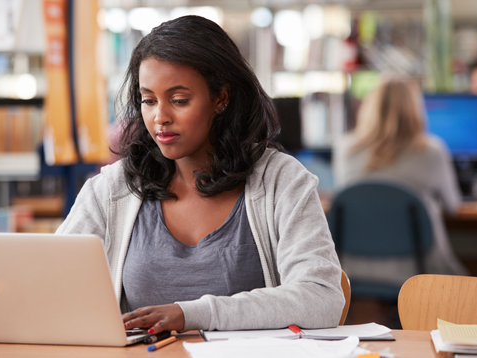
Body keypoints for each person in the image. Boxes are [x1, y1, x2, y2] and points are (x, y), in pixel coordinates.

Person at [56, 15, 344, 333]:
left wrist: (193, 314)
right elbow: (51, 286)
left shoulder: (280, 181)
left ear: (221, 97)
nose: (159, 118)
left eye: (179, 101)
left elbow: (321, 299)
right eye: (148, 101)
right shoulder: (111, 190)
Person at [333, 78, 469, 285]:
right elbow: (454, 206)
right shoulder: (431, 151)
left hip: (354, 266)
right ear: (415, 108)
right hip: (418, 268)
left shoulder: (345, 149)